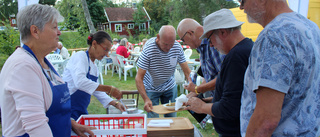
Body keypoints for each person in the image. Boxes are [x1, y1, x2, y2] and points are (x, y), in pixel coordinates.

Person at [0, 4, 95, 137]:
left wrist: (70, 124)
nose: (59, 32)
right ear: (35, 31)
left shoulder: (42, 61)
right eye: (54, 27)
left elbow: (47, 108)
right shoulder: (23, 67)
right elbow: (36, 127)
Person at [239, 0, 320, 136]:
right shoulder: (311, 27)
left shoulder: (274, 34)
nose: (241, 7)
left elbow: (266, 121)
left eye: (242, 1)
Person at [185, 9, 254, 136]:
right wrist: (211, 100)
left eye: (210, 39)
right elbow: (239, 96)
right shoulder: (247, 48)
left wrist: (201, 107)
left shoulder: (236, 56)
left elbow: (229, 108)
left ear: (223, 32)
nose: (210, 45)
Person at [62, 31, 125, 122]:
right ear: (94, 44)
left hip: (80, 111)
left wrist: (115, 103)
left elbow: (97, 90)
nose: (107, 54)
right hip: (69, 111)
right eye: (105, 49)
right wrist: (109, 89)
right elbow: (80, 82)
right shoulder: (80, 57)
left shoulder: (94, 67)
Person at [135, 25, 191, 118]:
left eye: (171, 44)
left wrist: (193, 87)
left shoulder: (177, 47)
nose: (169, 47)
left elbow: (187, 71)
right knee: (153, 119)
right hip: (151, 87)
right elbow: (139, 78)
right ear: (158, 37)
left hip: (169, 86)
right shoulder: (149, 50)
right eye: (165, 44)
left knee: (172, 117)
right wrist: (146, 99)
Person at [177, 18, 225, 99]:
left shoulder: (213, 45)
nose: (184, 43)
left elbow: (224, 77)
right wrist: (187, 98)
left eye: (183, 39)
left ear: (190, 33)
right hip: (218, 100)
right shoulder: (201, 48)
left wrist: (197, 89)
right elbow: (209, 78)